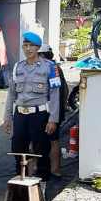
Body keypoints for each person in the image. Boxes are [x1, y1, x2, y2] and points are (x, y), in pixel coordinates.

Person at [4, 31, 61, 180]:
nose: (28, 49)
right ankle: (20, 180)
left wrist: (53, 119)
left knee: (41, 149)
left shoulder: (49, 67)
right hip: (20, 114)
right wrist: (7, 117)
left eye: (31, 46)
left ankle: (42, 182)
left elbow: (55, 94)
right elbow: (11, 94)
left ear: (38, 48)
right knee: (17, 148)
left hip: (39, 115)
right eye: (25, 46)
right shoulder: (18, 67)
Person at [39, 44, 69, 178]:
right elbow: (65, 91)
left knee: (48, 141)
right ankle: (54, 169)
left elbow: (57, 93)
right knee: (53, 140)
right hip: (55, 112)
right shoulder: (56, 68)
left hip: (49, 112)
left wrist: (54, 115)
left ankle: (48, 169)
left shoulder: (51, 69)